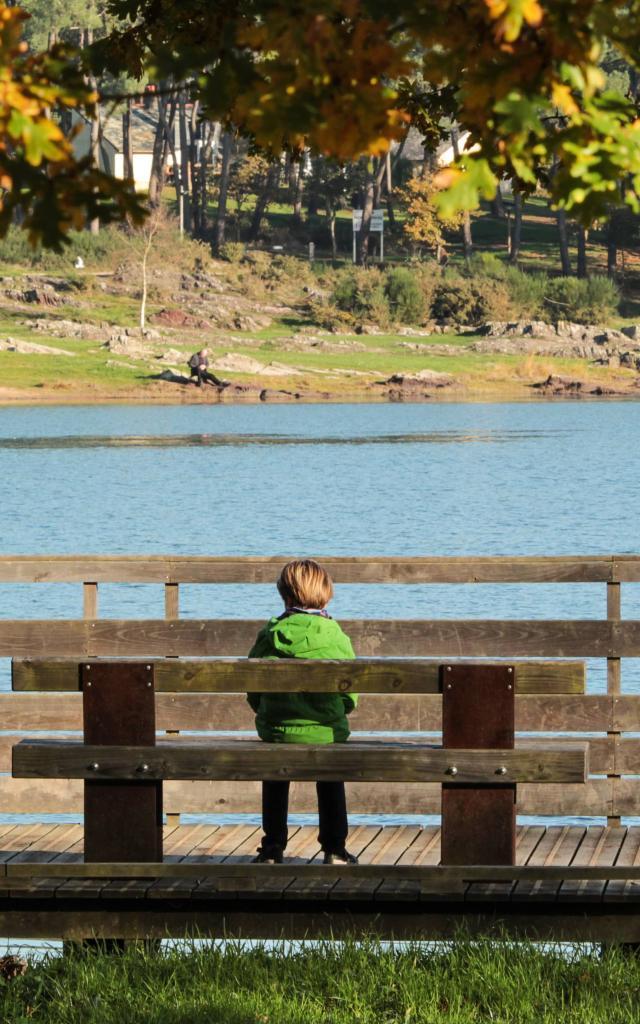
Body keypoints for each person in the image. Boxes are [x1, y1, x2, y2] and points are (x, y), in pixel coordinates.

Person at [247, 559, 359, 865]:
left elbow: (252, 691)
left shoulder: (269, 635)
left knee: (275, 772)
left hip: (277, 731)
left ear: (285, 595)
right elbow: (350, 694)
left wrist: (269, 714)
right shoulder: (335, 635)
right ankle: (334, 848)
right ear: (325, 595)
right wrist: (338, 712)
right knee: (330, 774)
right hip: (326, 730)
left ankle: (272, 847)